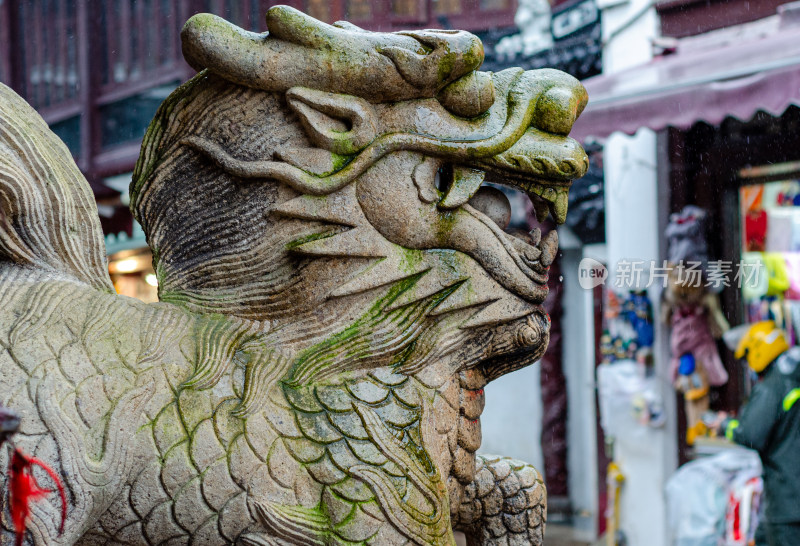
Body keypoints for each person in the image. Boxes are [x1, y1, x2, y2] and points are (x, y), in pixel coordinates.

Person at [724, 321, 800, 546]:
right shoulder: (793, 378)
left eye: (747, 357)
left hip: (787, 503)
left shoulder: (773, 387)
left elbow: (750, 434)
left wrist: (726, 426)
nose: (747, 364)